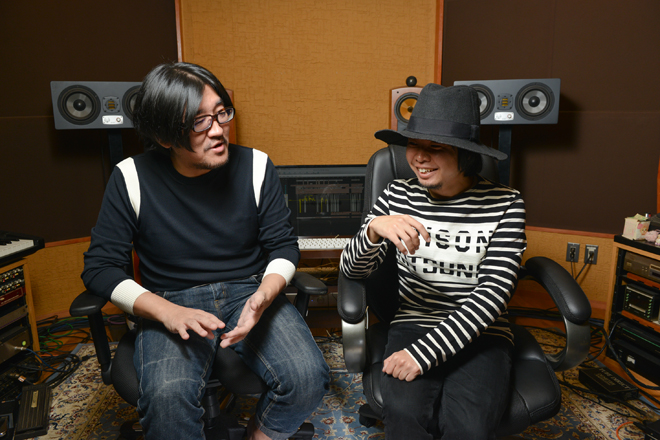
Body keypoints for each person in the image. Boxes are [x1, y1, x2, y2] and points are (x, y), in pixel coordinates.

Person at [82, 62, 329, 440]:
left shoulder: (256, 166)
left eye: (221, 112)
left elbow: (281, 245)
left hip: (249, 290)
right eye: (199, 122)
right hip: (170, 298)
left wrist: (265, 294)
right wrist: (165, 311)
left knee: (308, 378)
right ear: (165, 136)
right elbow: (100, 268)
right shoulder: (130, 177)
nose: (217, 129)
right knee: (166, 399)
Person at [339, 84, 526, 439]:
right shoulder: (396, 194)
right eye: (414, 144)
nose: (420, 158)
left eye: (436, 147)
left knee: (470, 427)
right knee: (404, 417)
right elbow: (352, 270)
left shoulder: (506, 203)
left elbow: (494, 293)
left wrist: (424, 354)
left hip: (481, 330)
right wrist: (374, 229)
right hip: (414, 320)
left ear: (466, 154)